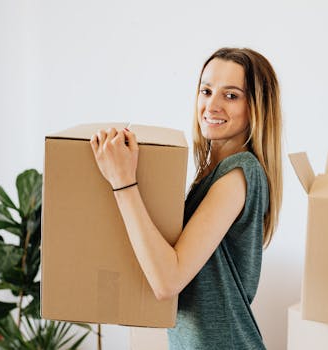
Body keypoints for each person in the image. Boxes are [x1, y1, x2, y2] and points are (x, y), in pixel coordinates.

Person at [89, 47, 282, 350]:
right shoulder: (211, 174)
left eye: (231, 96)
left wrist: (123, 181)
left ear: (256, 108)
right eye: (206, 91)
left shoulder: (240, 173)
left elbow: (168, 280)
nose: (212, 105)